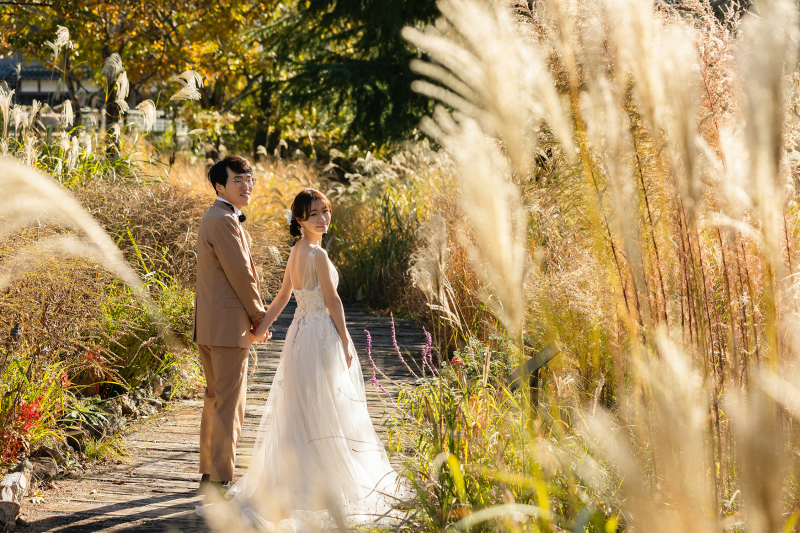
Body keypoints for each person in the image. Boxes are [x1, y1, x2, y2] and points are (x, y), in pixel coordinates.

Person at [206, 188, 410, 529]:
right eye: (314, 213)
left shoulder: (296, 251)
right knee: (325, 405)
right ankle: (321, 480)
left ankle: (298, 478)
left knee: (303, 404)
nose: (323, 218)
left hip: (300, 335)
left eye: (325, 211)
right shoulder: (316, 254)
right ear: (299, 219)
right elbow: (333, 303)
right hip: (319, 335)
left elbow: (284, 297)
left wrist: (261, 328)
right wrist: (346, 341)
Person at [193, 155, 270, 501]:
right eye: (237, 180)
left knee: (215, 400)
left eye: (249, 179)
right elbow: (241, 274)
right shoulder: (223, 220)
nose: (246, 185)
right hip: (227, 327)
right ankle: (221, 481)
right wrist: (259, 316)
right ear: (219, 186)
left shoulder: (217, 217)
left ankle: (210, 475)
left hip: (211, 326)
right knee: (229, 404)